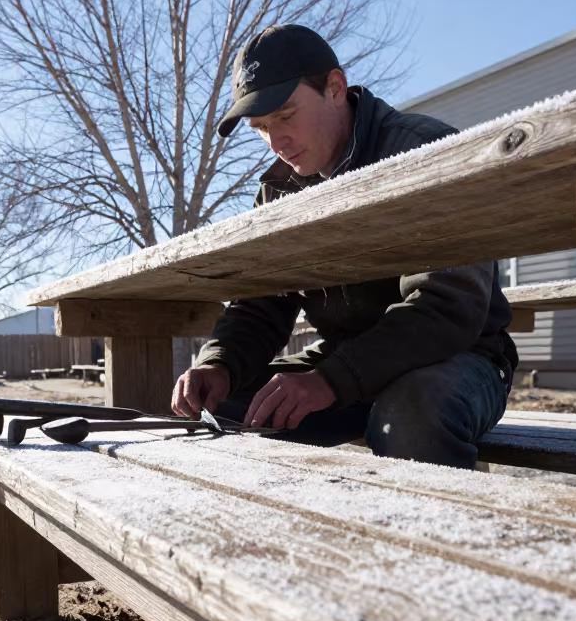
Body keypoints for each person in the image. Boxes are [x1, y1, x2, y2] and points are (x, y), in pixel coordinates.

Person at [170, 24, 518, 469]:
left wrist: (329, 381)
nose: (276, 143)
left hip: (461, 359)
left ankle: (442, 537)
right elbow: (260, 305)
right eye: (261, 128)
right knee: (216, 409)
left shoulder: (423, 152)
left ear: (335, 87)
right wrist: (220, 365)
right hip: (343, 362)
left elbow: (448, 307)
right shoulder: (279, 193)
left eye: (287, 115)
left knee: (408, 416)